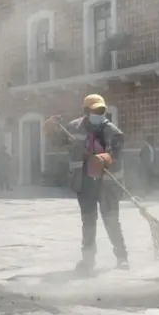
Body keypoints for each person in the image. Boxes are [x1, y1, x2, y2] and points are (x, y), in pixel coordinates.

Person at [43, 94, 129, 274]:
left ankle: (122, 257)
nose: (99, 113)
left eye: (101, 110)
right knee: (88, 222)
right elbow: (57, 143)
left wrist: (104, 158)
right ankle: (88, 259)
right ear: (86, 111)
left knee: (111, 220)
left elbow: (116, 153)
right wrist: (50, 129)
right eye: (95, 110)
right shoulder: (73, 128)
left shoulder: (113, 132)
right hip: (85, 182)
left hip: (107, 185)